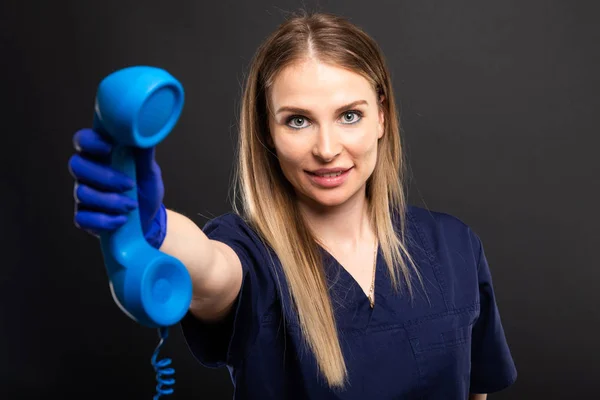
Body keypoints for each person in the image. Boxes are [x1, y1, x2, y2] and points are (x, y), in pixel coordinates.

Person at [68, 11, 517, 400]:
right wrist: (154, 227)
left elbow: (476, 387)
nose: (327, 148)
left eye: (349, 115)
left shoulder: (455, 246)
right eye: (298, 121)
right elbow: (210, 269)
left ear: (382, 116)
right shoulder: (252, 255)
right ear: (268, 132)